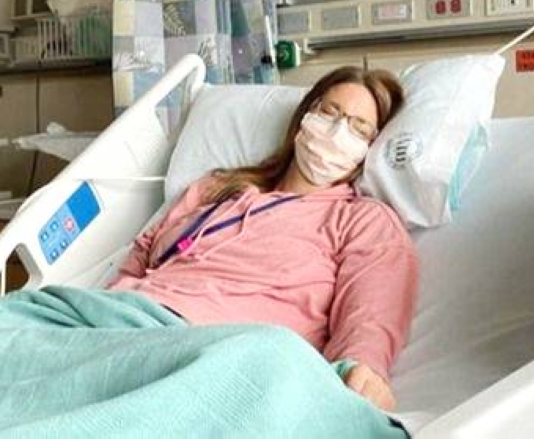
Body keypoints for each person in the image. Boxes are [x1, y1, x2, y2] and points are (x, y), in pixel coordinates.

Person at [108, 66, 418, 412]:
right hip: (127, 320)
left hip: (217, 350)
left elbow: (370, 314)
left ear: (369, 150)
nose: (337, 131)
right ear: (305, 117)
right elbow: (143, 252)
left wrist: (362, 370)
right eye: (330, 112)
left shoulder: (363, 220)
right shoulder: (217, 188)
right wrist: (109, 305)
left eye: (359, 128)